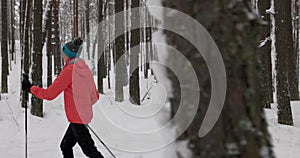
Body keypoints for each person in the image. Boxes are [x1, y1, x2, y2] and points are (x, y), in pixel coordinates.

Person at [22, 37, 105, 158]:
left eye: (63, 51)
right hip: (83, 116)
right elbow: (95, 96)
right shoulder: (84, 68)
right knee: (65, 146)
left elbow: (49, 95)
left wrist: (30, 88)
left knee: (89, 150)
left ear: (69, 54)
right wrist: (83, 106)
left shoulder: (69, 71)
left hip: (77, 118)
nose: (61, 54)